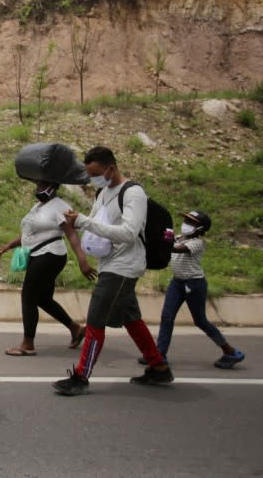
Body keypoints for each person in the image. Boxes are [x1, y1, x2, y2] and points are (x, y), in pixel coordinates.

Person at [53, 146, 173, 396]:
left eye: (97, 173)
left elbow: (129, 233)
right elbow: (98, 225)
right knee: (131, 318)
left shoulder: (134, 193)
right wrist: (79, 222)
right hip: (110, 263)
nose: (94, 179)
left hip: (124, 266)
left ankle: (80, 376)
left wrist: (84, 221)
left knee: (96, 317)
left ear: (111, 168)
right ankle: (158, 367)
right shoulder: (103, 192)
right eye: (90, 175)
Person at [0, 180, 96, 356]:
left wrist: (82, 260)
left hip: (50, 255)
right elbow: (28, 234)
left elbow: (71, 233)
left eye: (43, 186)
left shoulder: (60, 206)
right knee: (42, 298)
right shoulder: (37, 207)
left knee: (28, 296)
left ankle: (28, 344)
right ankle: (76, 329)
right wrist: (8, 246)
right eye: (38, 186)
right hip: (37, 255)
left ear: (53, 187)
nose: (38, 189)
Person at [144, 210, 245, 369]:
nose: (186, 224)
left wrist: (162, 241)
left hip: (194, 285)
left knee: (200, 321)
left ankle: (230, 351)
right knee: (167, 317)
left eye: (191, 222)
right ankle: (159, 355)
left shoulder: (197, 243)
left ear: (200, 229)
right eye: (186, 220)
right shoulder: (178, 237)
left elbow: (176, 249)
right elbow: (167, 243)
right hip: (177, 283)